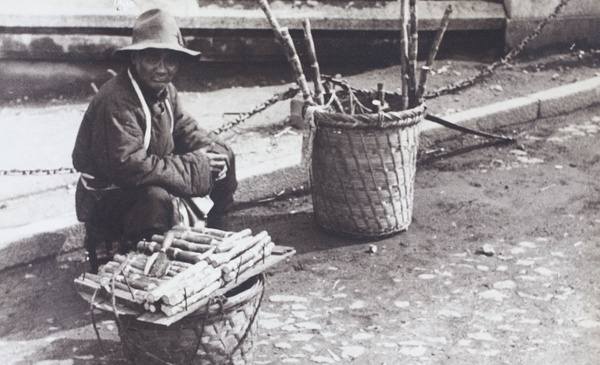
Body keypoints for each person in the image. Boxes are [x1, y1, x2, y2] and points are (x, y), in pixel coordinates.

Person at [72, 8, 237, 272]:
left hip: (141, 179)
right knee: (156, 199)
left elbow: (185, 128)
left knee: (222, 154)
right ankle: (139, 262)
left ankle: (217, 240)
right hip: (107, 199)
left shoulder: (165, 91)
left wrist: (211, 152)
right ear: (135, 58)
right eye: (152, 58)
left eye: (171, 59)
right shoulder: (117, 100)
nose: (162, 69)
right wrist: (197, 166)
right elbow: (128, 166)